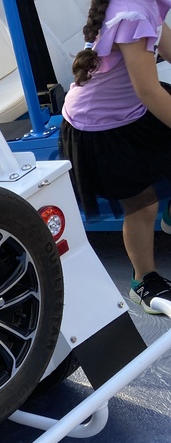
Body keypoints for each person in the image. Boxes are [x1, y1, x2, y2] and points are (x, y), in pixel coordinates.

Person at [60, 0, 171, 314]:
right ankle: (144, 281)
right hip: (101, 127)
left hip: (129, 110)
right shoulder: (131, 15)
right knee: (143, 205)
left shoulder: (144, 4)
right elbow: (148, 91)